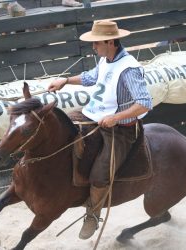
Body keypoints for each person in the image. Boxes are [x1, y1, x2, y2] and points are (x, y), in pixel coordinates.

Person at [48, 20, 152, 239]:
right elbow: (91, 77)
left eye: (96, 43)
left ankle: (93, 216)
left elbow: (144, 103)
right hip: (92, 115)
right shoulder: (106, 60)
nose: (93, 47)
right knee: (62, 127)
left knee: (100, 174)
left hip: (120, 130)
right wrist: (65, 80)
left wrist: (116, 117)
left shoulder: (129, 69)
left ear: (110, 41)